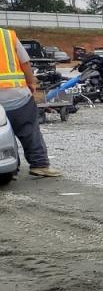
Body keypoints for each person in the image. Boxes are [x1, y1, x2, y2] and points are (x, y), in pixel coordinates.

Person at [0, 29, 62, 179]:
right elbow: (25, 62)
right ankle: (39, 164)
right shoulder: (7, 35)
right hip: (16, 96)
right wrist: (31, 82)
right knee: (29, 129)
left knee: (3, 133)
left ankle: (9, 168)